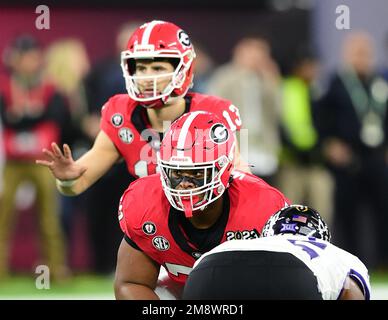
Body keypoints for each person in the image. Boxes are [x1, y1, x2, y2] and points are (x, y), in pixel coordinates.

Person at [36, 20, 249, 199]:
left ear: (183, 71)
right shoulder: (121, 115)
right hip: (156, 226)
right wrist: (66, 178)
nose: (146, 77)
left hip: (208, 225)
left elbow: (243, 184)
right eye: (140, 68)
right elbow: (78, 182)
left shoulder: (212, 115)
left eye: (157, 68)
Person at [114, 111, 290, 300]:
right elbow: (131, 283)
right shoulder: (145, 204)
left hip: (244, 293)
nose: (184, 184)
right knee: (161, 294)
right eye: (176, 172)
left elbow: (287, 284)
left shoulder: (262, 206)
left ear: (223, 169)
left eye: (197, 173)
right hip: (182, 289)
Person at [183, 204, 371, 300]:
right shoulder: (334, 255)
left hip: (207, 269)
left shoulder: (244, 243)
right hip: (294, 276)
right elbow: (351, 292)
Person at [315, 31, 388, 268]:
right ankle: (351, 262)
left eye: (366, 53)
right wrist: (328, 145)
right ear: (346, 55)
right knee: (348, 213)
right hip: (348, 159)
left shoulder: (379, 82)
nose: (362, 57)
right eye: (357, 52)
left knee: (383, 210)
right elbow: (319, 117)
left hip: (376, 157)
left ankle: (382, 260)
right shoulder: (335, 83)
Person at [0, 35, 69, 280]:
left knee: (49, 217)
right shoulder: (6, 86)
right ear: (14, 60)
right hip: (13, 162)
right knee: (3, 216)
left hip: (44, 160)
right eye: (22, 57)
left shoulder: (50, 88)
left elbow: (55, 117)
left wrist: (22, 116)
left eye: (31, 57)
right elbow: (7, 118)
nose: (27, 62)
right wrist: (30, 116)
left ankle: (55, 268)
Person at [207, 35, 281, 183]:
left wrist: (272, 80)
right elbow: (212, 110)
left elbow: (278, 111)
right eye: (252, 52)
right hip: (238, 148)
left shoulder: (265, 79)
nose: (256, 58)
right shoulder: (225, 77)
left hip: (265, 149)